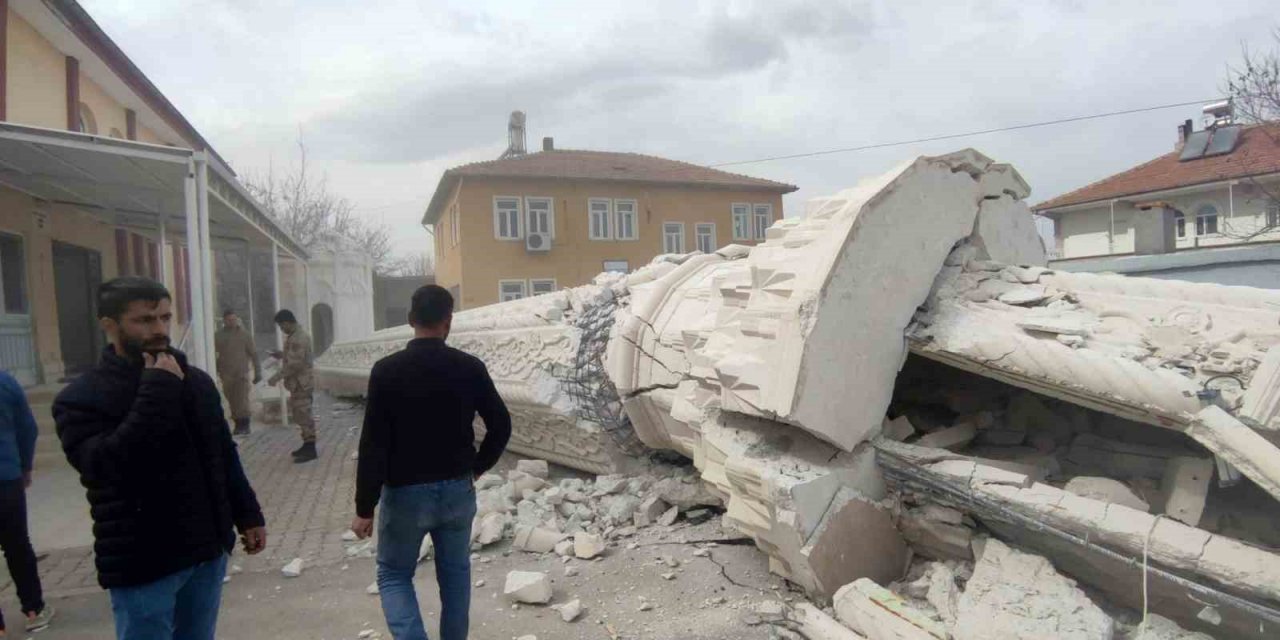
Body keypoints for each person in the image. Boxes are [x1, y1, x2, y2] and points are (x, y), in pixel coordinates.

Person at [53, 277, 267, 640]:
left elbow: (222, 453)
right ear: (109, 325)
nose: (159, 329)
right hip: (144, 561)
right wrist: (157, 390)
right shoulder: (82, 398)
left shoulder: (195, 382)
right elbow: (105, 466)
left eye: (165, 318)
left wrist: (248, 514)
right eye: (144, 320)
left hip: (205, 552)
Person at [351, 285, 511, 640]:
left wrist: (364, 507)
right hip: (456, 490)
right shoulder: (469, 367)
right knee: (455, 577)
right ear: (448, 321)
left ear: (411, 319)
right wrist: (477, 467)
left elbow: (373, 443)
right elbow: (501, 425)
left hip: (405, 494)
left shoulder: (386, 371)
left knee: (394, 575)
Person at [0, 370, 54, 636]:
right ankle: (34, 609)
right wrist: (25, 466)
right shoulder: (5, 382)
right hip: (7, 476)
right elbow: (27, 428)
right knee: (18, 545)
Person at [267, 309, 317, 463]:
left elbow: (295, 364)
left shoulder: (299, 338)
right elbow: (293, 356)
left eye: (281, 326)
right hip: (298, 384)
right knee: (300, 414)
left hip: (302, 384)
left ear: (287, 322)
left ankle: (310, 449)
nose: (282, 329)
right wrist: (281, 355)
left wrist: (276, 377)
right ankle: (306, 444)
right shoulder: (295, 337)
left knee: (304, 414)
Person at [215, 309, 262, 436]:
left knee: (242, 400)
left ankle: (245, 425)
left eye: (234, 319)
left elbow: (254, 354)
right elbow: (215, 355)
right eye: (229, 320)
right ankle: (237, 424)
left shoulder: (245, 335)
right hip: (226, 374)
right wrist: (217, 369)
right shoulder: (218, 336)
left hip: (241, 373)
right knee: (232, 400)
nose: (232, 322)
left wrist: (258, 372)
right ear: (224, 321)